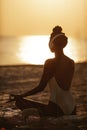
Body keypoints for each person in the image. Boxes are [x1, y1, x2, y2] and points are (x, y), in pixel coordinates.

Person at [10, 26, 76, 117]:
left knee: (20, 103)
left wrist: (21, 96)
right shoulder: (71, 62)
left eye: (49, 40)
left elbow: (41, 87)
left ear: (52, 43)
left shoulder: (50, 63)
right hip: (72, 107)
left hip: (56, 107)